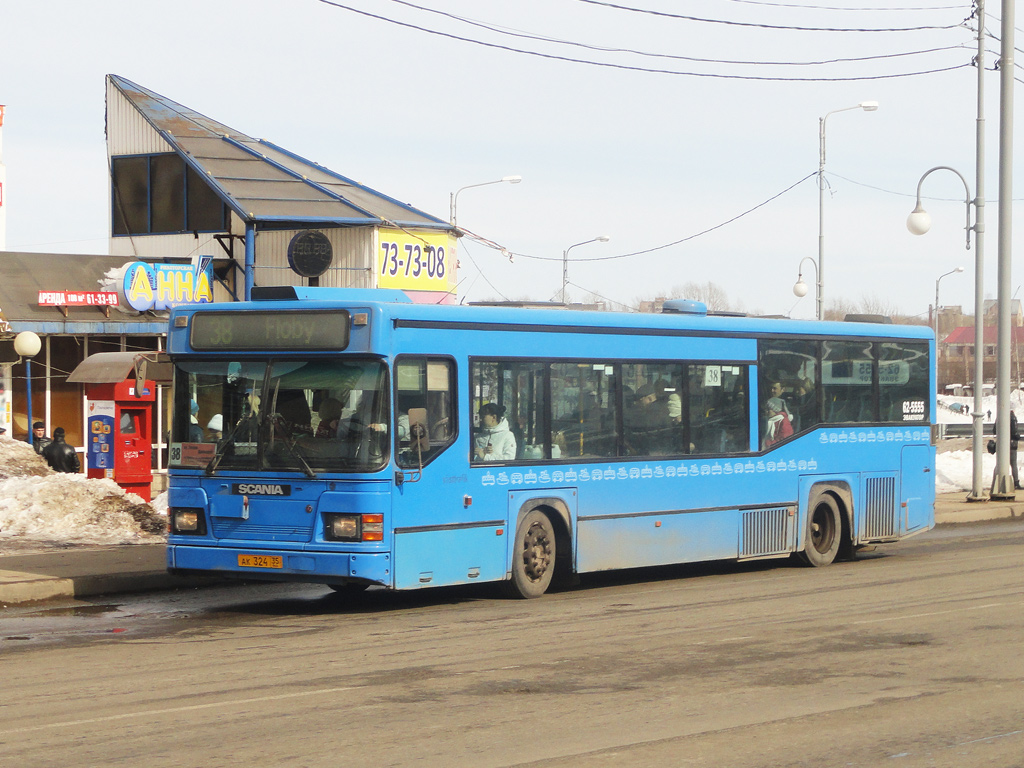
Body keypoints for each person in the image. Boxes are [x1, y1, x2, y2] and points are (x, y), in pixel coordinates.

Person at [763, 380, 794, 449]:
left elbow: (785, 440)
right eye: (771, 388)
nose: (772, 391)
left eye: (775, 388)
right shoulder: (769, 420)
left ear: (783, 389)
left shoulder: (783, 421)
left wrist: (767, 443)